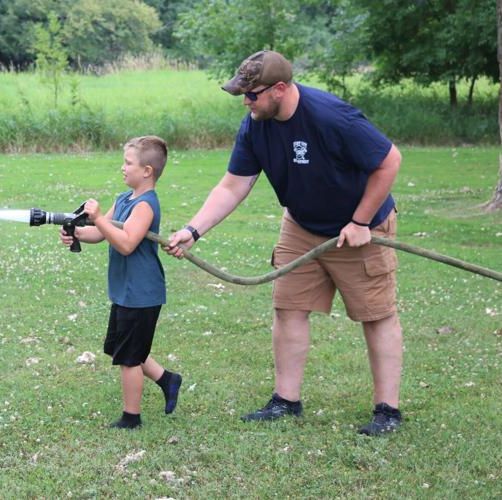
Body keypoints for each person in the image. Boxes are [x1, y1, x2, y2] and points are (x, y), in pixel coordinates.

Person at [164, 50, 403, 436]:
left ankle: (387, 410)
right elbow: (233, 184)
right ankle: (285, 401)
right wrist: (193, 231)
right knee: (288, 308)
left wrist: (360, 221)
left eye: (251, 94)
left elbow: (389, 160)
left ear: (279, 89)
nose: (246, 102)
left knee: (376, 314)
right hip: (301, 224)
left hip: (360, 227)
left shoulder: (330, 116)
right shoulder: (256, 124)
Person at [59, 135, 182, 429]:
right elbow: (101, 233)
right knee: (122, 347)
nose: (123, 168)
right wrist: (77, 233)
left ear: (147, 171)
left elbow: (126, 243)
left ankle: (131, 417)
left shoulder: (145, 206)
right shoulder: (124, 199)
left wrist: (99, 218)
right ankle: (167, 379)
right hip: (126, 291)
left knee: (129, 358)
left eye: (128, 163)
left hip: (142, 293)